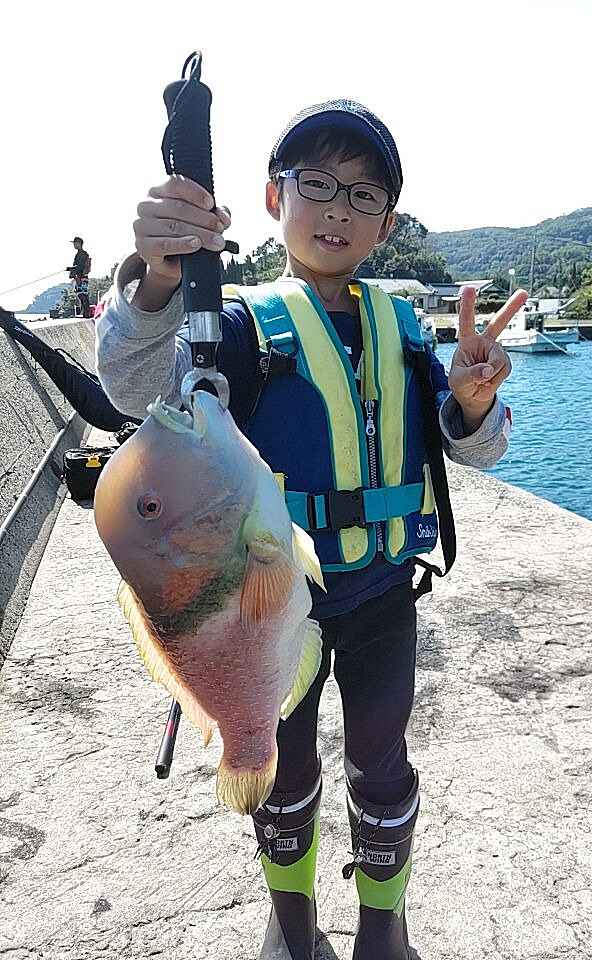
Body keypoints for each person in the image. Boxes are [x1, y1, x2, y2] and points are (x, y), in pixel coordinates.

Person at [96, 100, 523, 960]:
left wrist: (474, 406)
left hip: (383, 596)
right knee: (279, 768)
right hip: (263, 610)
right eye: (317, 184)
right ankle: (293, 925)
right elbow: (132, 386)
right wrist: (153, 284)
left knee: (382, 765)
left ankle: (382, 927)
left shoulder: (403, 327)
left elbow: (472, 448)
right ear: (273, 196)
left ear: (387, 224)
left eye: (365, 195)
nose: (338, 209)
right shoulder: (235, 327)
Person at [0, 307, 138, 432]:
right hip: (117, 406)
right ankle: (9, 321)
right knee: (58, 363)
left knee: (55, 362)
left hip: (111, 413)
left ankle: (8, 322)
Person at [67, 236, 92, 318]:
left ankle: (86, 313)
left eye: (75, 243)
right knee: (81, 294)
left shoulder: (82, 254)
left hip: (81, 277)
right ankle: (85, 313)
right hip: (81, 277)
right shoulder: (81, 254)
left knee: (82, 295)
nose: (74, 245)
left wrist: (71, 269)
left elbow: (80, 267)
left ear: (79, 243)